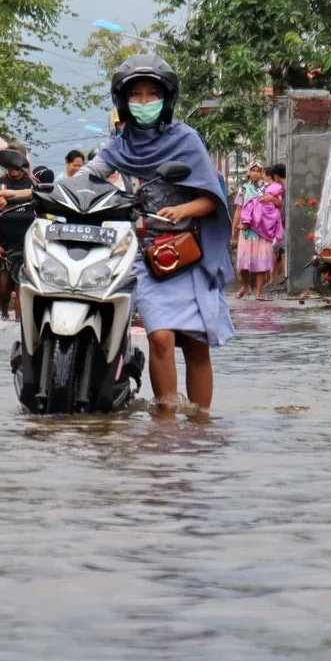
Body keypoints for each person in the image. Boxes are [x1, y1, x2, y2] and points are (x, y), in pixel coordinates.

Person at [83, 53, 234, 410]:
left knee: (197, 344)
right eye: (136, 95)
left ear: (165, 100)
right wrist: (45, 193)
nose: (144, 102)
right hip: (141, 256)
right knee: (161, 338)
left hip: (186, 254)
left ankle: (200, 425)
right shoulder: (118, 146)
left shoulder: (188, 140)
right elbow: (87, 175)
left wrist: (183, 209)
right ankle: (165, 420)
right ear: (124, 101)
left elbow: (213, 199)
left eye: (152, 94)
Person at [0, 148, 35, 319]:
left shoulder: (33, 185)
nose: (14, 170)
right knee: (3, 285)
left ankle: (18, 323)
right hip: (4, 243)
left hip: (26, 244)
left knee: (20, 285)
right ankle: (3, 314)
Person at [232, 162, 273, 300]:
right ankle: (245, 285)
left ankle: (259, 292)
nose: (255, 173)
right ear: (249, 172)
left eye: (258, 170)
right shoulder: (243, 188)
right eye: (253, 170)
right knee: (243, 261)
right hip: (246, 229)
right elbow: (239, 209)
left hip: (261, 230)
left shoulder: (267, 189)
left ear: (262, 173)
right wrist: (234, 227)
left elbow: (275, 206)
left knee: (260, 262)